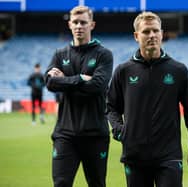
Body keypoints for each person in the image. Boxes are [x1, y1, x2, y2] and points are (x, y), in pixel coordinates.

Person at [107, 12, 188, 187]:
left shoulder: (178, 70)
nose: (152, 35)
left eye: (155, 31)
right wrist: (120, 130)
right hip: (134, 155)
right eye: (146, 32)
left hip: (169, 156)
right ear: (136, 36)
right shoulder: (123, 71)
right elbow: (111, 107)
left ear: (161, 33)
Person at [45, 5, 113, 187]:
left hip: (95, 135)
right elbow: (50, 83)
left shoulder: (103, 54)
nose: (79, 26)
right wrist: (82, 79)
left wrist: (64, 81)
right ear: (69, 25)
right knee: (61, 183)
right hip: (65, 134)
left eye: (83, 22)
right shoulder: (60, 55)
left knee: (97, 183)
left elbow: (98, 86)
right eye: (75, 22)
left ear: (92, 25)